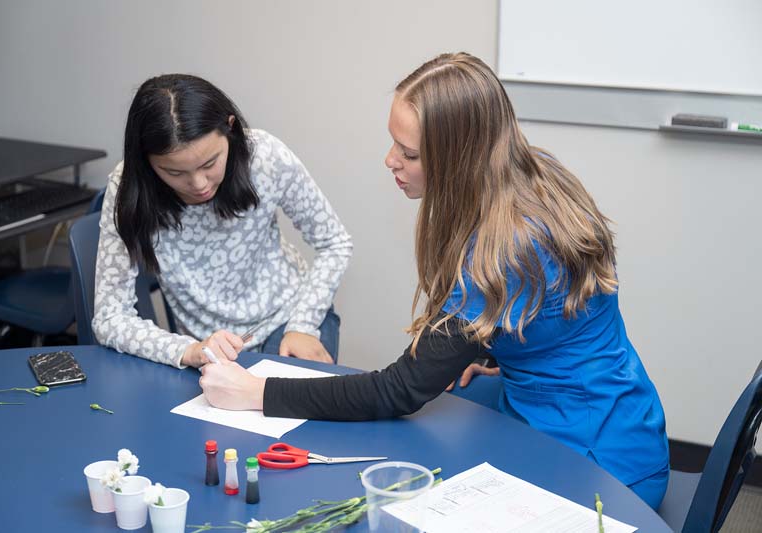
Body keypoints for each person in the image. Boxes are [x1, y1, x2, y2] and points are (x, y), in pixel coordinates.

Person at [198, 53, 670, 509]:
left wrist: (258, 393)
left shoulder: (506, 246)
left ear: (460, 159)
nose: (390, 161)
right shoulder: (533, 174)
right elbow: (555, 314)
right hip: (615, 412)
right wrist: (498, 348)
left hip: (599, 467)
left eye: (409, 153)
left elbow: (398, 390)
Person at [93, 74, 352, 369]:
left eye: (209, 163)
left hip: (291, 318)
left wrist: (303, 325)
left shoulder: (266, 158)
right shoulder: (127, 186)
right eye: (175, 173)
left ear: (230, 129)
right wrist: (187, 350)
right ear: (146, 161)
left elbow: (335, 242)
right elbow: (110, 318)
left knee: (293, 408)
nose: (199, 183)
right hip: (210, 348)